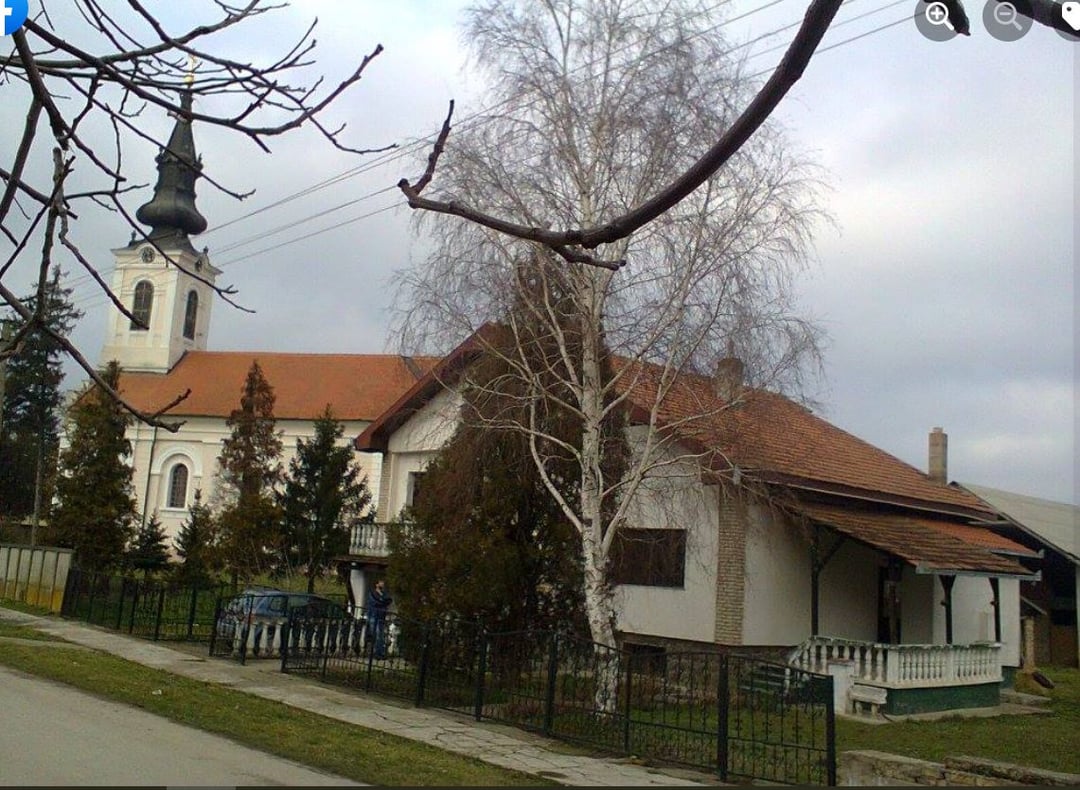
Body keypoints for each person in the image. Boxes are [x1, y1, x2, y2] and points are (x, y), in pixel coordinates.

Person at [366, 579, 392, 659]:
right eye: (381, 582)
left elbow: (389, 600)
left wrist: (382, 599)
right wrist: (382, 601)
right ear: (377, 584)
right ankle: (376, 652)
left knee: (380, 635)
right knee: (375, 634)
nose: (383, 584)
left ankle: (380, 653)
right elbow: (375, 602)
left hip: (381, 616)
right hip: (373, 615)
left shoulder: (384, 593)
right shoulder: (372, 593)